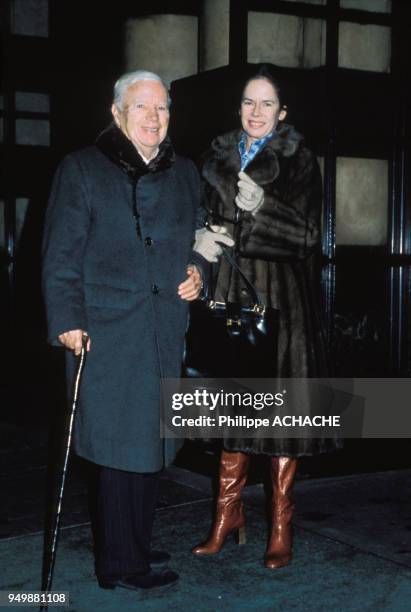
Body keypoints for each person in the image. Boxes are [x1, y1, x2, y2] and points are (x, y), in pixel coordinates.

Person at [42, 70, 206, 590]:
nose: (153, 118)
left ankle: (132, 545)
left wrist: (203, 272)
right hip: (106, 333)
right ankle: (120, 565)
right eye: (141, 107)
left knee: (151, 447)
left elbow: (204, 237)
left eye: (161, 108)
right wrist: (66, 319)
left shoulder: (185, 173)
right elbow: (60, 255)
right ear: (117, 114)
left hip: (161, 330)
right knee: (117, 450)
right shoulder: (82, 169)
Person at [192, 66, 340, 569]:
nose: (256, 112)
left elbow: (307, 237)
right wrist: (200, 237)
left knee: (280, 419)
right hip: (231, 297)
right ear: (239, 109)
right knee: (232, 410)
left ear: (282, 113)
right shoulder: (213, 159)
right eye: (248, 103)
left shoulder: (300, 161)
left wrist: (261, 209)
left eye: (266, 104)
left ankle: (281, 524)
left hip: (282, 302)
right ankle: (226, 516)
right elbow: (193, 215)